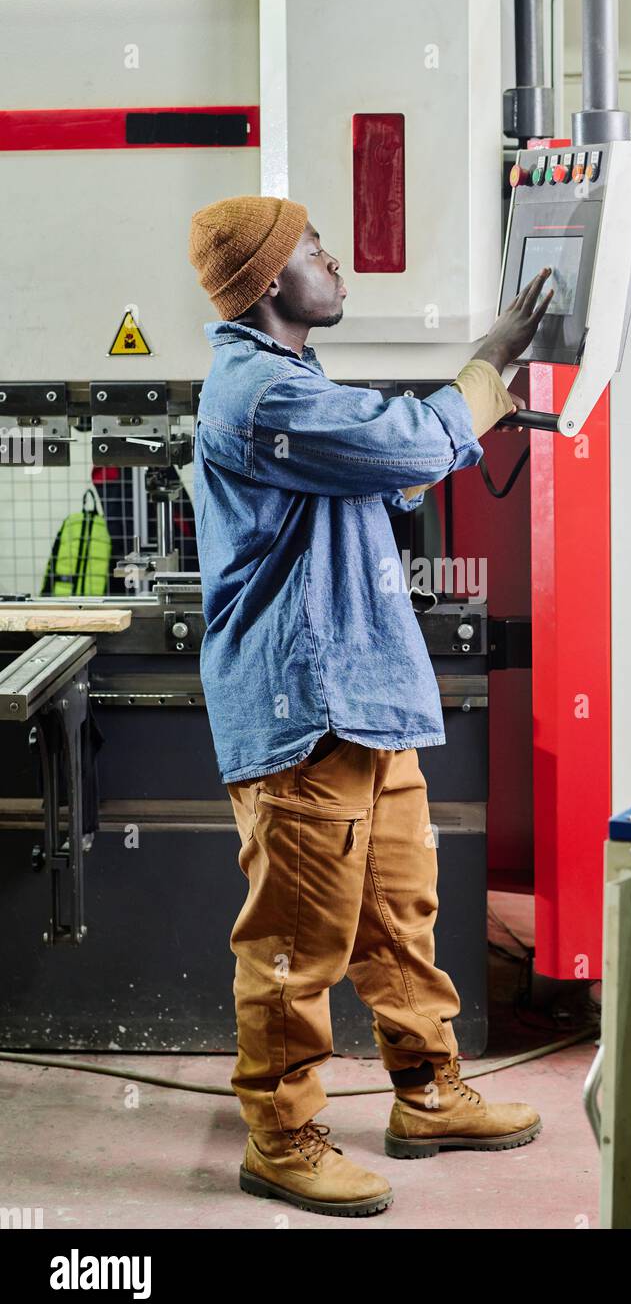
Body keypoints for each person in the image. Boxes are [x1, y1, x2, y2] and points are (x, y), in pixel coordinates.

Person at [188, 195, 552, 1217]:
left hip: (363, 701)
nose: (332, 258)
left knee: (397, 915)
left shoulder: (296, 381)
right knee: (298, 943)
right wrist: (483, 371)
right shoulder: (260, 391)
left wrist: (453, 425)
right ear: (264, 282)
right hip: (304, 707)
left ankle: (426, 1092)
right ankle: (283, 1137)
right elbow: (400, 448)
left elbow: (381, 471)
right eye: (309, 248)